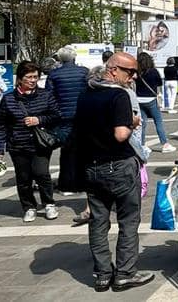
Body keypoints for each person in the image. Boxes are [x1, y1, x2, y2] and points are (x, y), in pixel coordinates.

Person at [74, 52, 154, 292]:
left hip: (92, 165)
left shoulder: (86, 94)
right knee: (128, 220)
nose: (133, 77)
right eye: (130, 72)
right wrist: (133, 123)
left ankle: (101, 274)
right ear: (113, 70)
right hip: (118, 164)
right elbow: (121, 134)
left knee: (98, 221)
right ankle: (125, 273)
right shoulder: (118, 95)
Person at [0, 61, 61, 222]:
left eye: (35, 77)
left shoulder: (46, 95)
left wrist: (39, 119)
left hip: (40, 143)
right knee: (23, 177)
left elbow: (57, 115)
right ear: (20, 79)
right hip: (18, 144)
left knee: (41, 173)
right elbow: (1, 126)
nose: (32, 80)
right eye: (29, 77)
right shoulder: (9, 99)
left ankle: (49, 203)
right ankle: (29, 206)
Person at [47, 45, 89, 194]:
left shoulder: (54, 75)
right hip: (83, 115)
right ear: (74, 57)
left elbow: (49, 96)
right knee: (83, 150)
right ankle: (83, 182)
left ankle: (66, 184)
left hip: (63, 116)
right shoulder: (84, 72)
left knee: (66, 151)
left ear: (59, 58)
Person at [136, 52, 175, 152]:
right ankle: (165, 144)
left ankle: (142, 144)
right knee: (158, 122)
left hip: (139, 99)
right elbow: (159, 83)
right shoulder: (153, 71)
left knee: (142, 124)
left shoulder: (137, 72)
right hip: (151, 99)